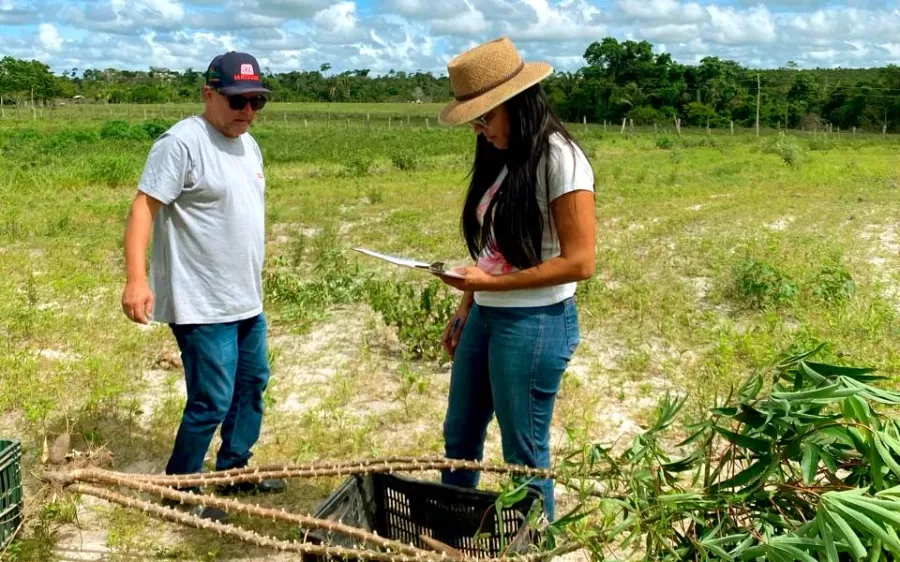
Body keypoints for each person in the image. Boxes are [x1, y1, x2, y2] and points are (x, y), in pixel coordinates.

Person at [434, 37, 596, 521]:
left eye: (486, 117)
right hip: (487, 317)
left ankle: (533, 546)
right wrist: (466, 306)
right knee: (460, 434)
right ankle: (459, 530)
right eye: (475, 121)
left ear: (518, 105)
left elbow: (580, 262)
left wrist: (484, 288)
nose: (481, 130)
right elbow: (493, 252)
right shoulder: (505, 157)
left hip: (535, 323)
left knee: (523, 452)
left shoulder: (560, 159)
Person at [121, 51, 285, 521]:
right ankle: (183, 489)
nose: (248, 112)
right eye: (238, 101)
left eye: (257, 102)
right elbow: (142, 209)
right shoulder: (181, 143)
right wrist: (137, 280)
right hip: (200, 301)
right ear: (208, 94)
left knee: (251, 385)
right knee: (211, 398)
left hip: (245, 299)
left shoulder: (248, 144)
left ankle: (234, 470)